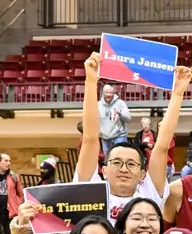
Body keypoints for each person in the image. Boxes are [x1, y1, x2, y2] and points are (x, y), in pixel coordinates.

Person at [74, 54, 185, 218]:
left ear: (142, 174)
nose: (123, 169)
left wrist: (178, 94)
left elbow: (161, 147)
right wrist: (90, 82)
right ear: (104, 170)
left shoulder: (150, 194)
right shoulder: (90, 192)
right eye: (117, 162)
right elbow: (90, 139)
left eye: (131, 164)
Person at [97, 81, 131, 147]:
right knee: (108, 157)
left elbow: (128, 119)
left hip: (119, 137)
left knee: (120, 156)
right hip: (105, 138)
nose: (109, 95)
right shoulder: (98, 105)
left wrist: (120, 113)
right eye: (107, 92)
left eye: (111, 93)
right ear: (103, 93)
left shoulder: (120, 103)